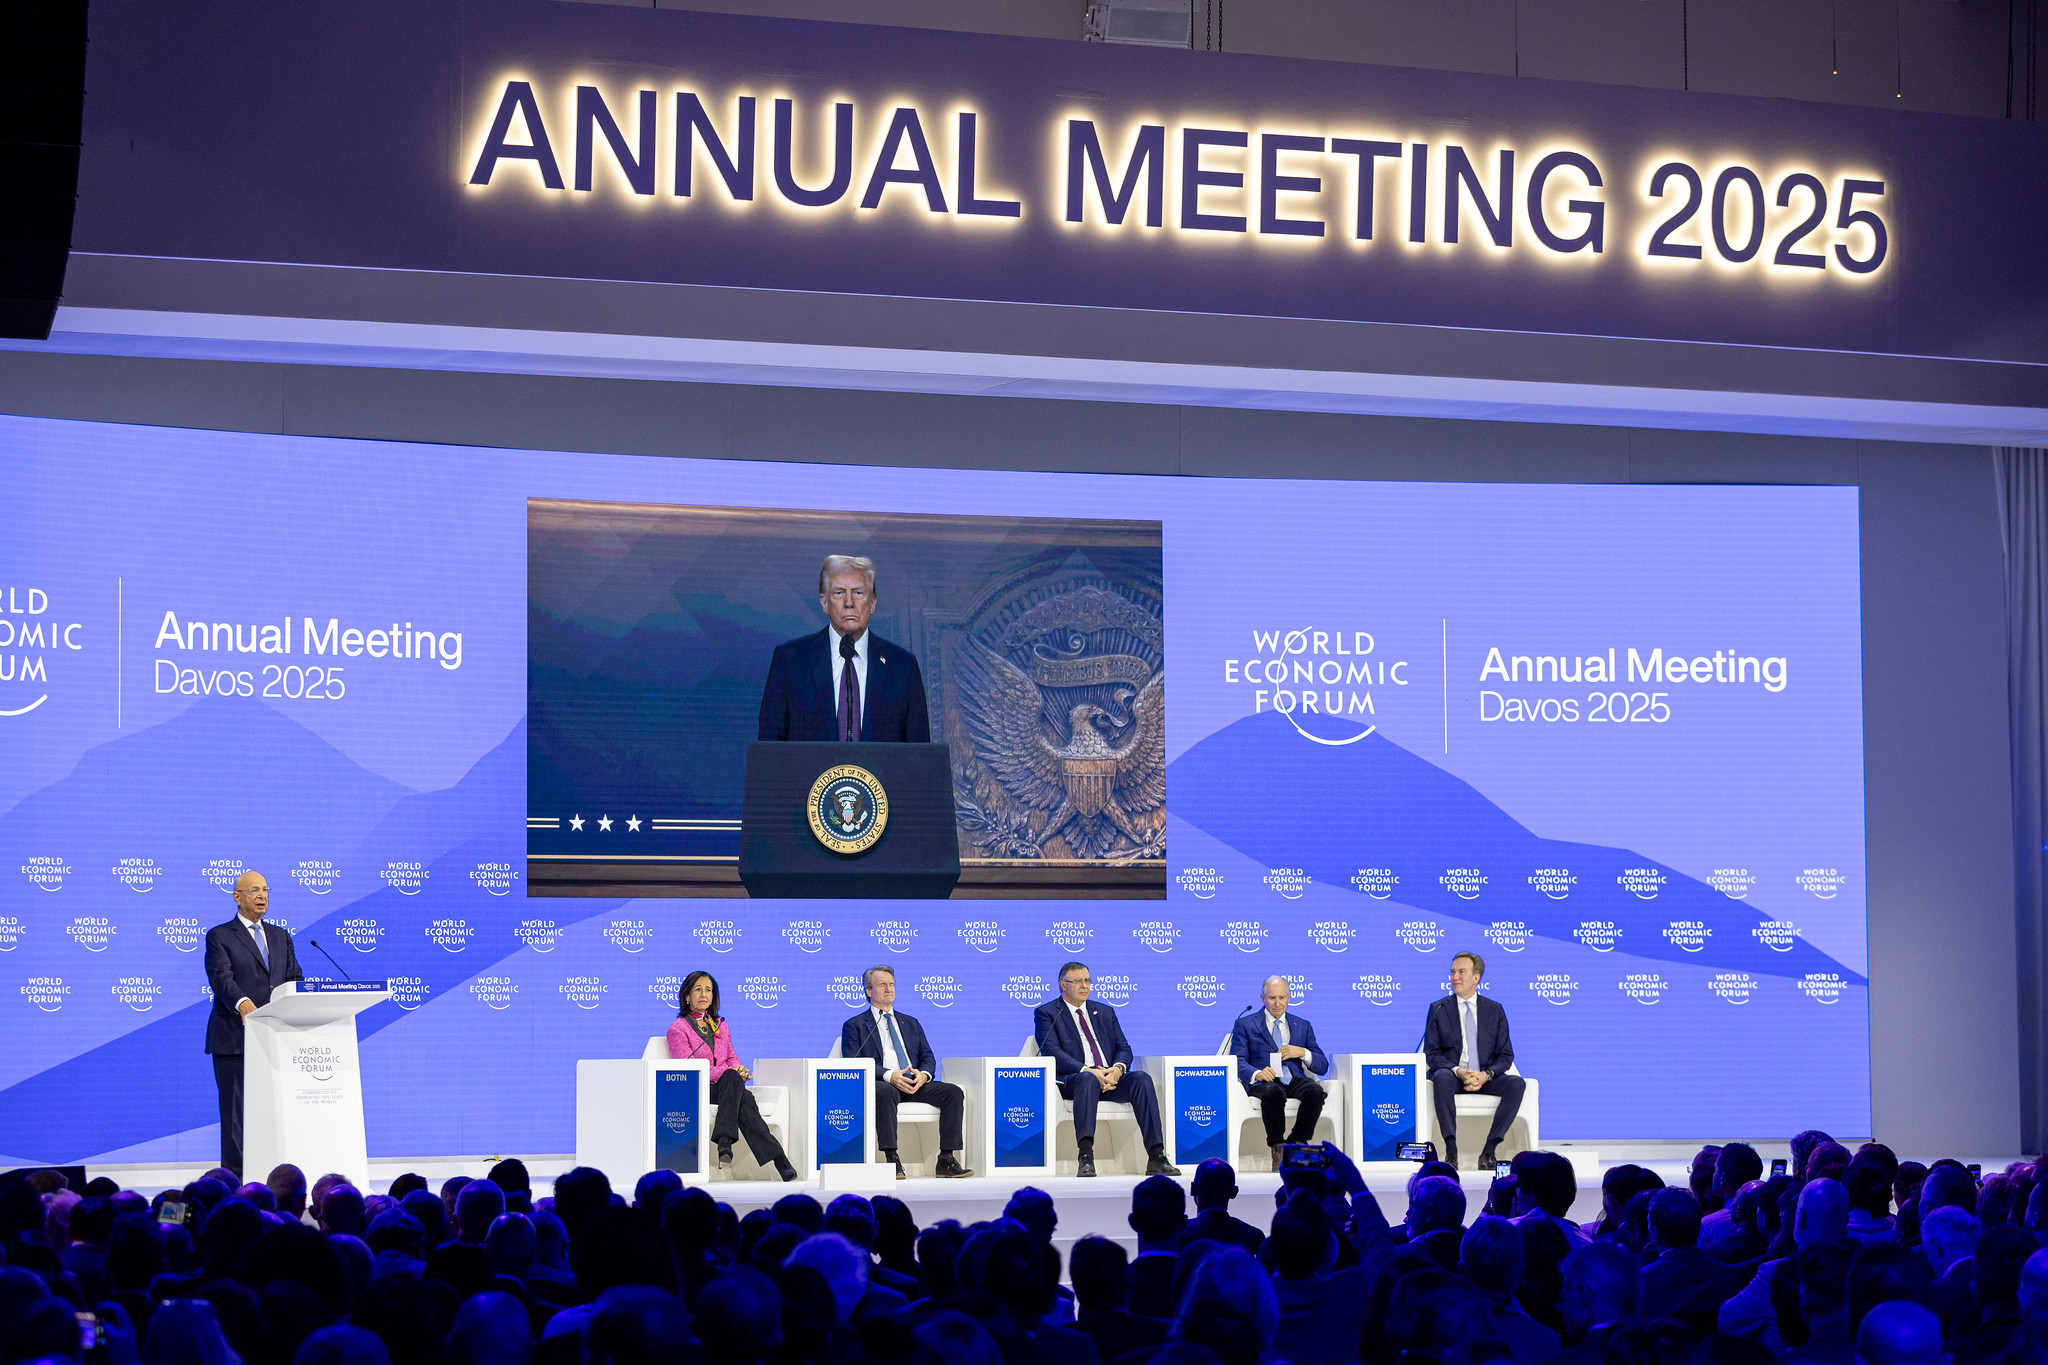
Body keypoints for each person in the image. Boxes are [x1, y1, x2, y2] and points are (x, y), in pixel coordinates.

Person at [757, 553, 931, 743]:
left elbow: (919, 757)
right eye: (839, 593)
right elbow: (769, 750)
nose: (849, 603)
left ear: (872, 603)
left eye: (858, 593)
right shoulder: (791, 661)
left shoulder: (903, 667)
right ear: (824, 602)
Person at [1033, 961, 1179, 1177]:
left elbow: (1124, 1048)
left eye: (1087, 980)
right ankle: (1086, 1157)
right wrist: (1087, 1070)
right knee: (1088, 1080)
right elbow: (1051, 1051)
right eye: (1078, 981)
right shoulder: (1047, 1013)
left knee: (1141, 1079)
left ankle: (1156, 1156)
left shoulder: (1104, 1011)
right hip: (1075, 1080)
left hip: (1110, 1078)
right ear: (1063, 985)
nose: (1085, 986)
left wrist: (1117, 1069)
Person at [203, 869, 303, 1176]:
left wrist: (300, 1000)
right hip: (235, 1036)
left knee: (273, 1112)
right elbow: (221, 977)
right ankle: (236, 1179)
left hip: (275, 1036)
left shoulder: (279, 935)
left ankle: (274, 1177)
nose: (261, 896)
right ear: (237, 897)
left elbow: (294, 977)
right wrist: (243, 1002)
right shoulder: (220, 936)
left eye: (265, 890)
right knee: (236, 1116)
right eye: (253, 891)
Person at [838, 965, 971, 1179]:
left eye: (891, 984)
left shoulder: (910, 1022)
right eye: (882, 985)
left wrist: (924, 1075)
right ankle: (892, 1159)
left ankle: (946, 1159)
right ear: (868, 991)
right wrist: (890, 1075)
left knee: (953, 1092)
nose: (889, 989)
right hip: (882, 1083)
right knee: (885, 1092)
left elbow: (927, 1055)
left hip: (913, 1083)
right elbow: (855, 1061)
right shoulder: (854, 1026)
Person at [666, 970, 798, 1182]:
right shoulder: (677, 1029)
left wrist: (740, 1070)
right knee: (742, 1095)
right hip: (697, 1089)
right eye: (697, 989)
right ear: (686, 996)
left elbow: (731, 1056)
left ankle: (725, 1141)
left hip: (725, 1088)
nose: (703, 994)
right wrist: (730, 1072)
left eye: (708, 990)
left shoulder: (720, 1024)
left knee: (736, 1085)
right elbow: (688, 1067)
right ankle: (779, 1159)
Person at [1421, 951, 1525, 1169]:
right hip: (1453, 1076)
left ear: (1476, 978)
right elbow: (1431, 1053)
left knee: (1517, 1083)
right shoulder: (1438, 1009)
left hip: (1484, 1077)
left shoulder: (1494, 1010)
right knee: (1441, 1077)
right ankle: (1451, 1150)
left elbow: (1506, 1055)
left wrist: (1486, 1075)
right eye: (1452, 972)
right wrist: (1458, 1070)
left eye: (1461, 972)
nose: (1454, 977)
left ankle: (1489, 1150)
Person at [1228, 975, 1330, 1167]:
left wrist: (1302, 1052)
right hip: (1265, 1081)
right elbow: (1237, 1060)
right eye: (1272, 998)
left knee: (1315, 1091)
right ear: (1263, 998)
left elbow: (1322, 1065)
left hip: (1294, 1078)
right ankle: (1277, 1147)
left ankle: (1297, 1143)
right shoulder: (1245, 1024)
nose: (1277, 1003)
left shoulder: (1303, 1025)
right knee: (1273, 1092)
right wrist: (1256, 1073)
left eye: (1282, 998)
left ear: (1289, 998)